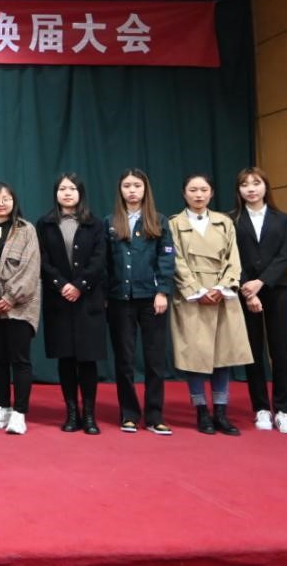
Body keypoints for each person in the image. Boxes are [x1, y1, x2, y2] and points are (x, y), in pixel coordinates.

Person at [168, 173, 252, 436]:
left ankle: (221, 412)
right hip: (191, 296)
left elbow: (234, 259)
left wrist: (222, 287)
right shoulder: (174, 224)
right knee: (195, 355)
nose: (198, 194)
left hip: (222, 295)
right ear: (184, 193)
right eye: (193, 190)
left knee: (223, 354)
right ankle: (201, 411)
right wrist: (197, 290)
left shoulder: (224, 222)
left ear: (211, 193)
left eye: (203, 189)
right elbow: (176, 261)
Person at [105, 169, 176, 436]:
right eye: (127, 186)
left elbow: (166, 257)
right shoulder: (110, 222)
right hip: (119, 300)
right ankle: (129, 414)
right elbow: (105, 263)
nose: (132, 190)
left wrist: (163, 291)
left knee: (154, 360)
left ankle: (155, 415)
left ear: (145, 189)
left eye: (137, 185)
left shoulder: (158, 220)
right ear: (120, 190)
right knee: (124, 359)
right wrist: (105, 296)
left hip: (152, 300)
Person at [36, 173, 107, 435]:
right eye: (62, 189)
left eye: (72, 189)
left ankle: (89, 415)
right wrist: (61, 284)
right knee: (65, 359)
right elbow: (42, 259)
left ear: (80, 193)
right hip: (59, 301)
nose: (67, 193)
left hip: (88, 300)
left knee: (87, 360)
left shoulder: (95, 224)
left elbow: (99, 259)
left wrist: (79, 285)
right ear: (55, 193)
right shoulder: (45, 224)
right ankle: (71, 413)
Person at [233, 167, 287, 434]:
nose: (251, 189)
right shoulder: (231, 220)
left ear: (265, 186)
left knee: (281, 351)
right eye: (245, 184)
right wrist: (249, 289)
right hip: (245, 291)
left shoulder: (283, 219)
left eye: (256, 183)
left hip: (277, 290)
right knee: (253, 351)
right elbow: (231, 257)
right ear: (239, 190)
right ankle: (260, 407)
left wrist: (261, 283)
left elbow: (285, 256)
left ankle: (283, 410)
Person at [0, 182, 40, 435]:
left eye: (5, 198)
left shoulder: (26, 230)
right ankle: (3, 407)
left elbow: (31, 268)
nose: (0, 203)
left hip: (19, 307)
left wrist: (11, 297)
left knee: (20, 359)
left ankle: (19, 413)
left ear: (14, 202)